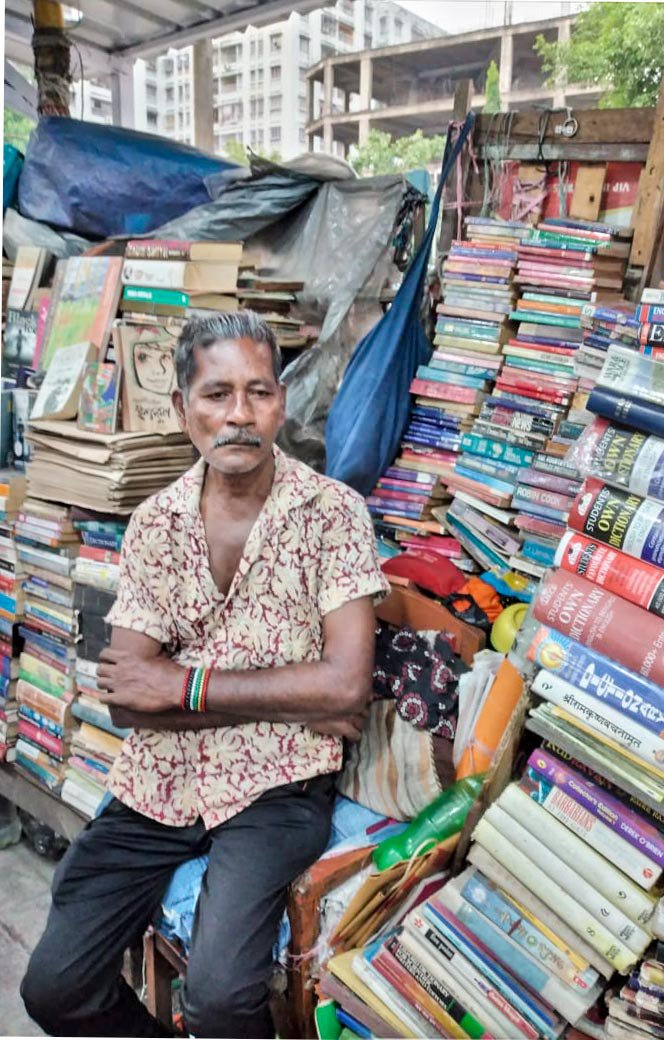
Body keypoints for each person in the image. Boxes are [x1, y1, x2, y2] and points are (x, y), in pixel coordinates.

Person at [21, 311, 389, 1038]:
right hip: (157, 783)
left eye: (258, 392)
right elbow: (131, 701)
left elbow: (345, 688)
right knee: (54, 988)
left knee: (221, 995)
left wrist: (184, 685)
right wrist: (291, 695)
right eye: (216, 394)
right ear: (182, 408)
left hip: (276, 791)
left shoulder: (332, 513)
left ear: (282, 401)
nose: (239, 416)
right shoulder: (155, 523)